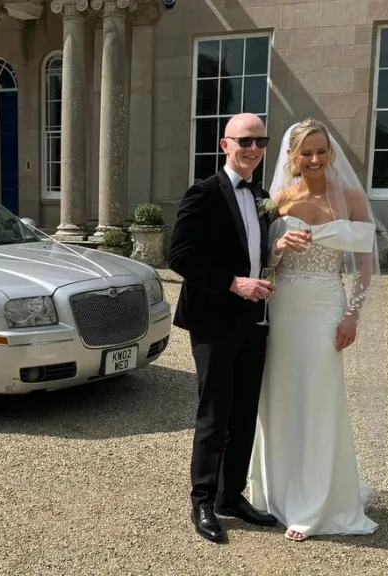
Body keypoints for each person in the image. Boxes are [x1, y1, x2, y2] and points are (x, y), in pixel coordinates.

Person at [247, 118, 387, 542]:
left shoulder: (351, 199)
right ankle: (280, 495)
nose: (314, 159)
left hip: (327, 308)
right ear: (291, 157)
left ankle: (322, 502)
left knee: (321, 399)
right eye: (305, 152)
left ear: (330, 153)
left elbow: (364, 266)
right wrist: (277, 248)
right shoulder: (279, 201)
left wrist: (352, 316)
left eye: (321, 151)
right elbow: (265, 266)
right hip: (286, 309)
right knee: (282, 397)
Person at [168, 113, 280, 544]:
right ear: (225, 144)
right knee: (215, 411)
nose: (253, 148)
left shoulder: (263, 196)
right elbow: (179, 255)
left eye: (259, 141)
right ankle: (202, 500)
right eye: (244, 141)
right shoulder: (203, 193)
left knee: (245, 408)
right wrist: (234, 283)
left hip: (256, 320)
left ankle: (231, 495)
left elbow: (258, 250)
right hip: (215, 319)